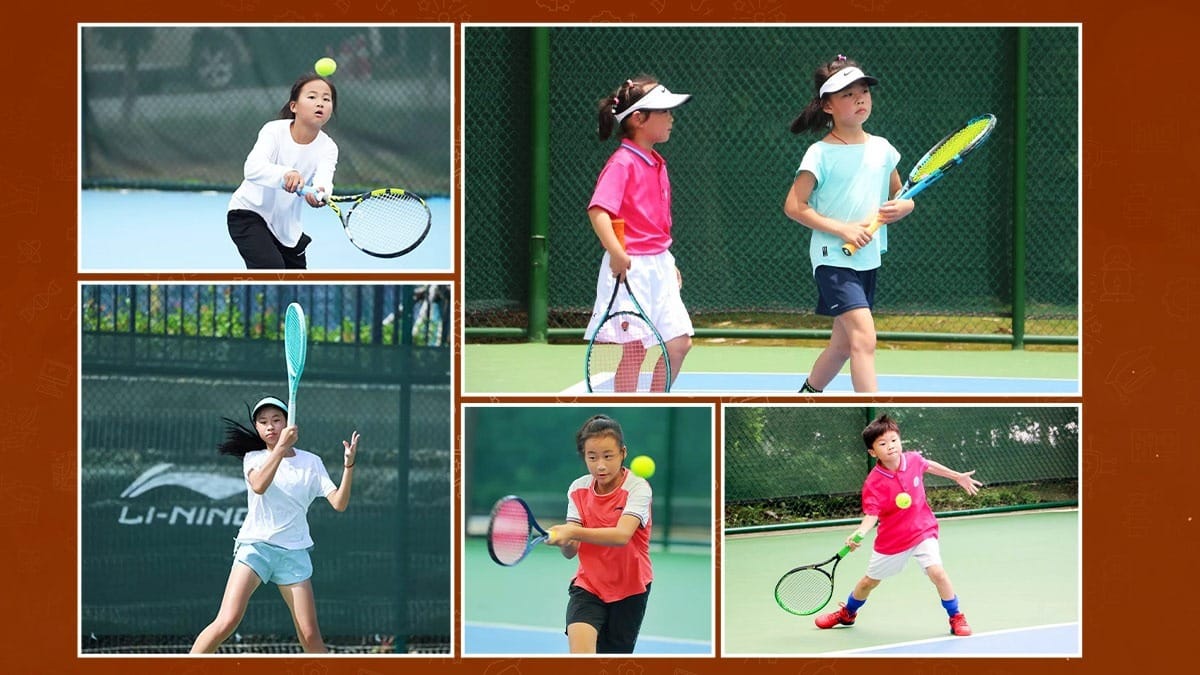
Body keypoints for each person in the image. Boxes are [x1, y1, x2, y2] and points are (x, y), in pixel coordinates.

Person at [783, 55, 915, 393]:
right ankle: (871, 414)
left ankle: (805, 398)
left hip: (867, 258)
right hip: (833, 258)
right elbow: (794, 206)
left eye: (863, 92)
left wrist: (905, 206)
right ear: (827, 106)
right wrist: (843, 229)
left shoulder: (883, 149)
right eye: (847, 94)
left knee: (842, 346)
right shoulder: (819, 154)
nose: (859, 99)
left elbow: (900, 194)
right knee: (864, 338)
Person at [190, 396, 360, 653]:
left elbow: (339, 503)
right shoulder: (254, 458)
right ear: (257, 428)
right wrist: (281, 448)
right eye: (263, 422)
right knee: (227, 620)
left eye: (276, 420)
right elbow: (259, 485)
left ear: (288, 422)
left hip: (294, 552)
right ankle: (184, 668)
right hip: (256, 547)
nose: (270, 426)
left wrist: (349, 465)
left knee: (310, 634)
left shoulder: (311, 462)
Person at [814, 413, 982, 636]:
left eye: (894, 440)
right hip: (892, 540)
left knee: (938, 573)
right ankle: (848, 613)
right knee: (868, 583)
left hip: (923, 529)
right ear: (873, 452)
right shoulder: (874, 482)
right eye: (883, 444)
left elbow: (927, 465)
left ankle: (956, 616)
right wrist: (859, 533)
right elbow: (872, 514)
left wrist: (956, 476)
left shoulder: (912, 460)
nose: (891, 446)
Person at [584, 76, 694, 392]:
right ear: (638, 119)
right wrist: (617, 254)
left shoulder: (656, 162)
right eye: (664, 111)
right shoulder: (622, 163)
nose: (671, 118)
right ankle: (630, 409)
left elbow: (653, 224)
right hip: (631, 268)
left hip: (659, 264)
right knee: (634, 351)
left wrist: (667, 262)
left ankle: (656, 402)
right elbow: (598, 211)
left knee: (679, 344)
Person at [546, 414, 653, 653]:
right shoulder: (578, 488)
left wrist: (572, 531)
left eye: (608, 456)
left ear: (623, 453)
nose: (600, 465)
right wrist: (564, 540)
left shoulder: (638, 488)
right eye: (592, 457)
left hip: (631, 589)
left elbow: (622, 536)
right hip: (588, 586)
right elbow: (570, 552)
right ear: (584, 456)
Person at [227, 73, 339, 269]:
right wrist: (286, 174)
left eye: (326, 99)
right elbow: (252, 168)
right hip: (248, 213)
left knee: (296, 281)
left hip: (287, 231)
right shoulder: (273, 131)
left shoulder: (328, 148)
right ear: (293, 106)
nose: (320, 103)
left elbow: (324, 179)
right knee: (273, 271)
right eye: (312, 97)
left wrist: (320, 193)